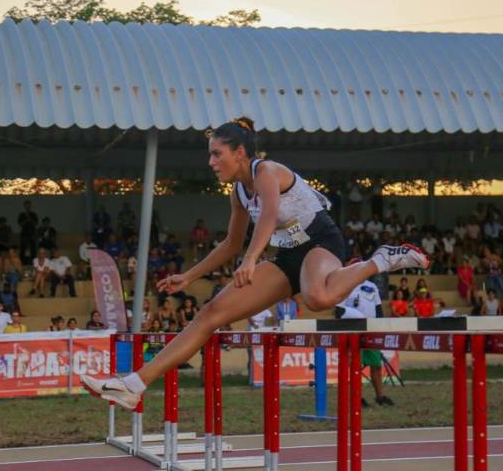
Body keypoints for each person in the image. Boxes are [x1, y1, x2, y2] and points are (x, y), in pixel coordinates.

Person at [81, 117, 429, 408]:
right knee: (211, 313)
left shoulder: (267, 171)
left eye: (217, 154)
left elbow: (269, 216)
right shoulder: (237, 192)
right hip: (288, 256)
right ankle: (135, 385)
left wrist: (251, 259)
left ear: (240, 152)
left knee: (318, 298)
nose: (211, 162)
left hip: (321, 242)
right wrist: (189, 276)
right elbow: (232, 243)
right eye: (210, 155)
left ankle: (379, 260)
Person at [335, 277, 393, 407]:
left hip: (371, 329)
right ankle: (357, 397)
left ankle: (380, 397)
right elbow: (338, 311)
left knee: (376, 365)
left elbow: (378, 310)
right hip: (354, 330)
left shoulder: (372, 286)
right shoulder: (345, 285)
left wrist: (380, 328)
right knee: (356, 366)